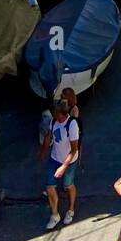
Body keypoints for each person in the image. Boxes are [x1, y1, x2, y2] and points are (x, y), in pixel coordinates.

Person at [40, 97, 79, 230]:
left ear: (59, 112)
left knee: (68, 185)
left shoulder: (72, 125)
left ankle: (71, 209)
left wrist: (64, 167)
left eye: (54, 112)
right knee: (50, 186)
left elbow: (74, 149)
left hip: (69, 161)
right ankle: (55, 214)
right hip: (54, 158)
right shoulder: (54, 121)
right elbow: (48, 136)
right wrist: (43, 151)